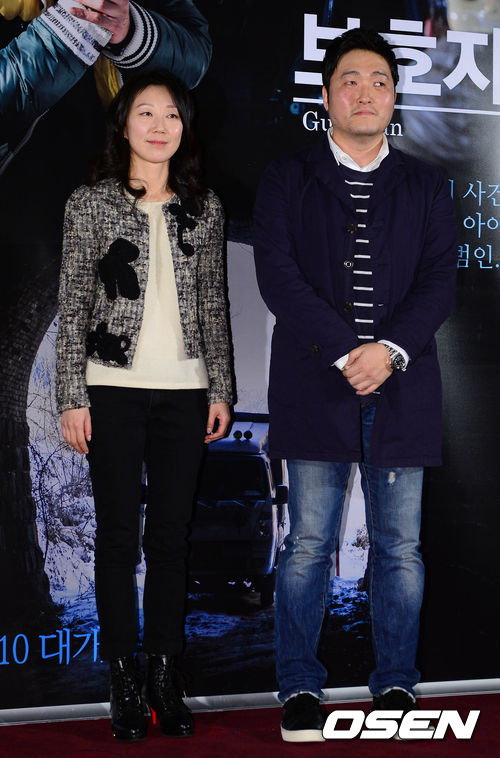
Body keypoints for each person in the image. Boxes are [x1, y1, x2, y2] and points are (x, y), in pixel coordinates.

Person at [253, 27, 457, 743]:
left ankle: (396, 680)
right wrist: (347, 352)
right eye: (350, 80)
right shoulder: (288, 178)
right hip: (317, 384)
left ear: (394, 97)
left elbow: (438, 283)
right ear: (326, 95)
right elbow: (279, 277)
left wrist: (390, 352)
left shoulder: (427, 184)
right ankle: (298, 686)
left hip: (404, 389)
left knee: (400, 548)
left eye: (378, 81)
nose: (364, 92)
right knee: (308, 543)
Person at [56, 68, 233, 742]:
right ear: (124, 123)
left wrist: (221, 388)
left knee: (170, 539)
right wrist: (71, 396)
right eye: (146, 113)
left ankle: (164, 672)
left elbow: (213, 302)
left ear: (184, 128)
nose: (160, 126)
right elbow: (73, 303)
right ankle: (123, 677)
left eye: (172, 115)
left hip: (186, 392)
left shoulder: (204, 207)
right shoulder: (89, 203)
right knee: (117, 538)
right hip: (111, 389)